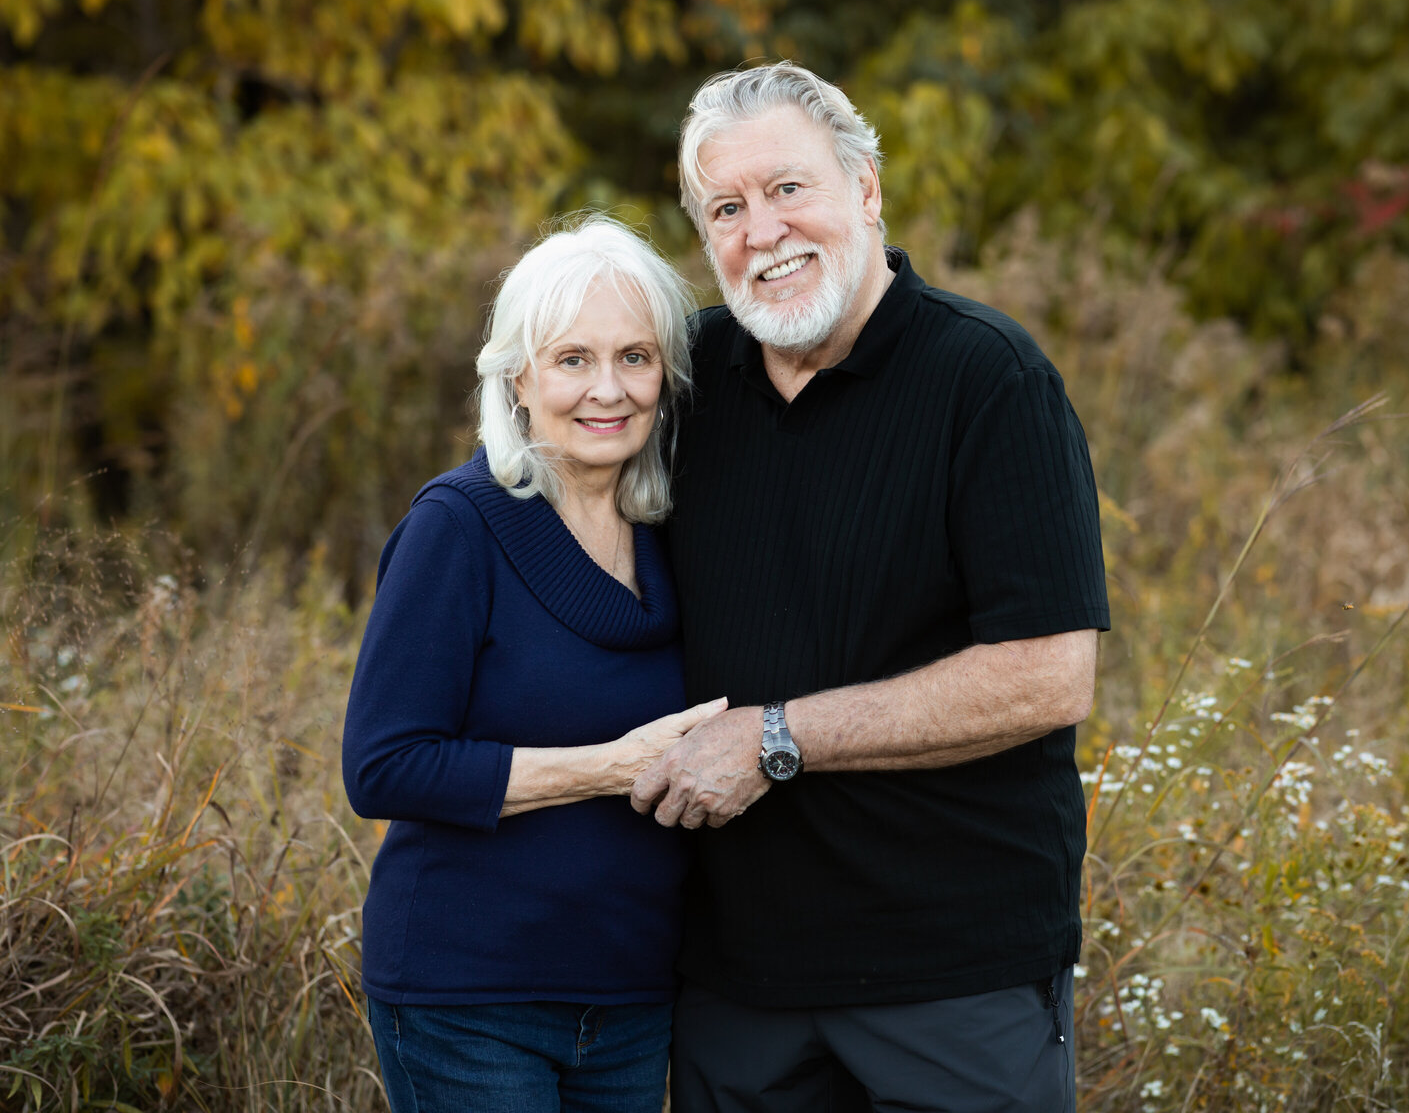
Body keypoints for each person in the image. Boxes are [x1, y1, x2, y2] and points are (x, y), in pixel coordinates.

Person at [631, 63, 1111, 1112]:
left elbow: (1046, 676)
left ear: (866, 190)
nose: (763, 231)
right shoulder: (687, 383)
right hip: (734, 985)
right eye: (727, 207)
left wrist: (776, 737)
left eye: (789, 188)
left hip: (953, 980)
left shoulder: (989, 381)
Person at [342, 215, 723, 1113]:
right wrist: (609, 768)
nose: (608, 390)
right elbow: (383, 765)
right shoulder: (459, 526)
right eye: (572, 359)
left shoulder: (676, 533)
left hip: (632, 998)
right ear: (518, 376)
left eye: (635, 357)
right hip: (471, 997)